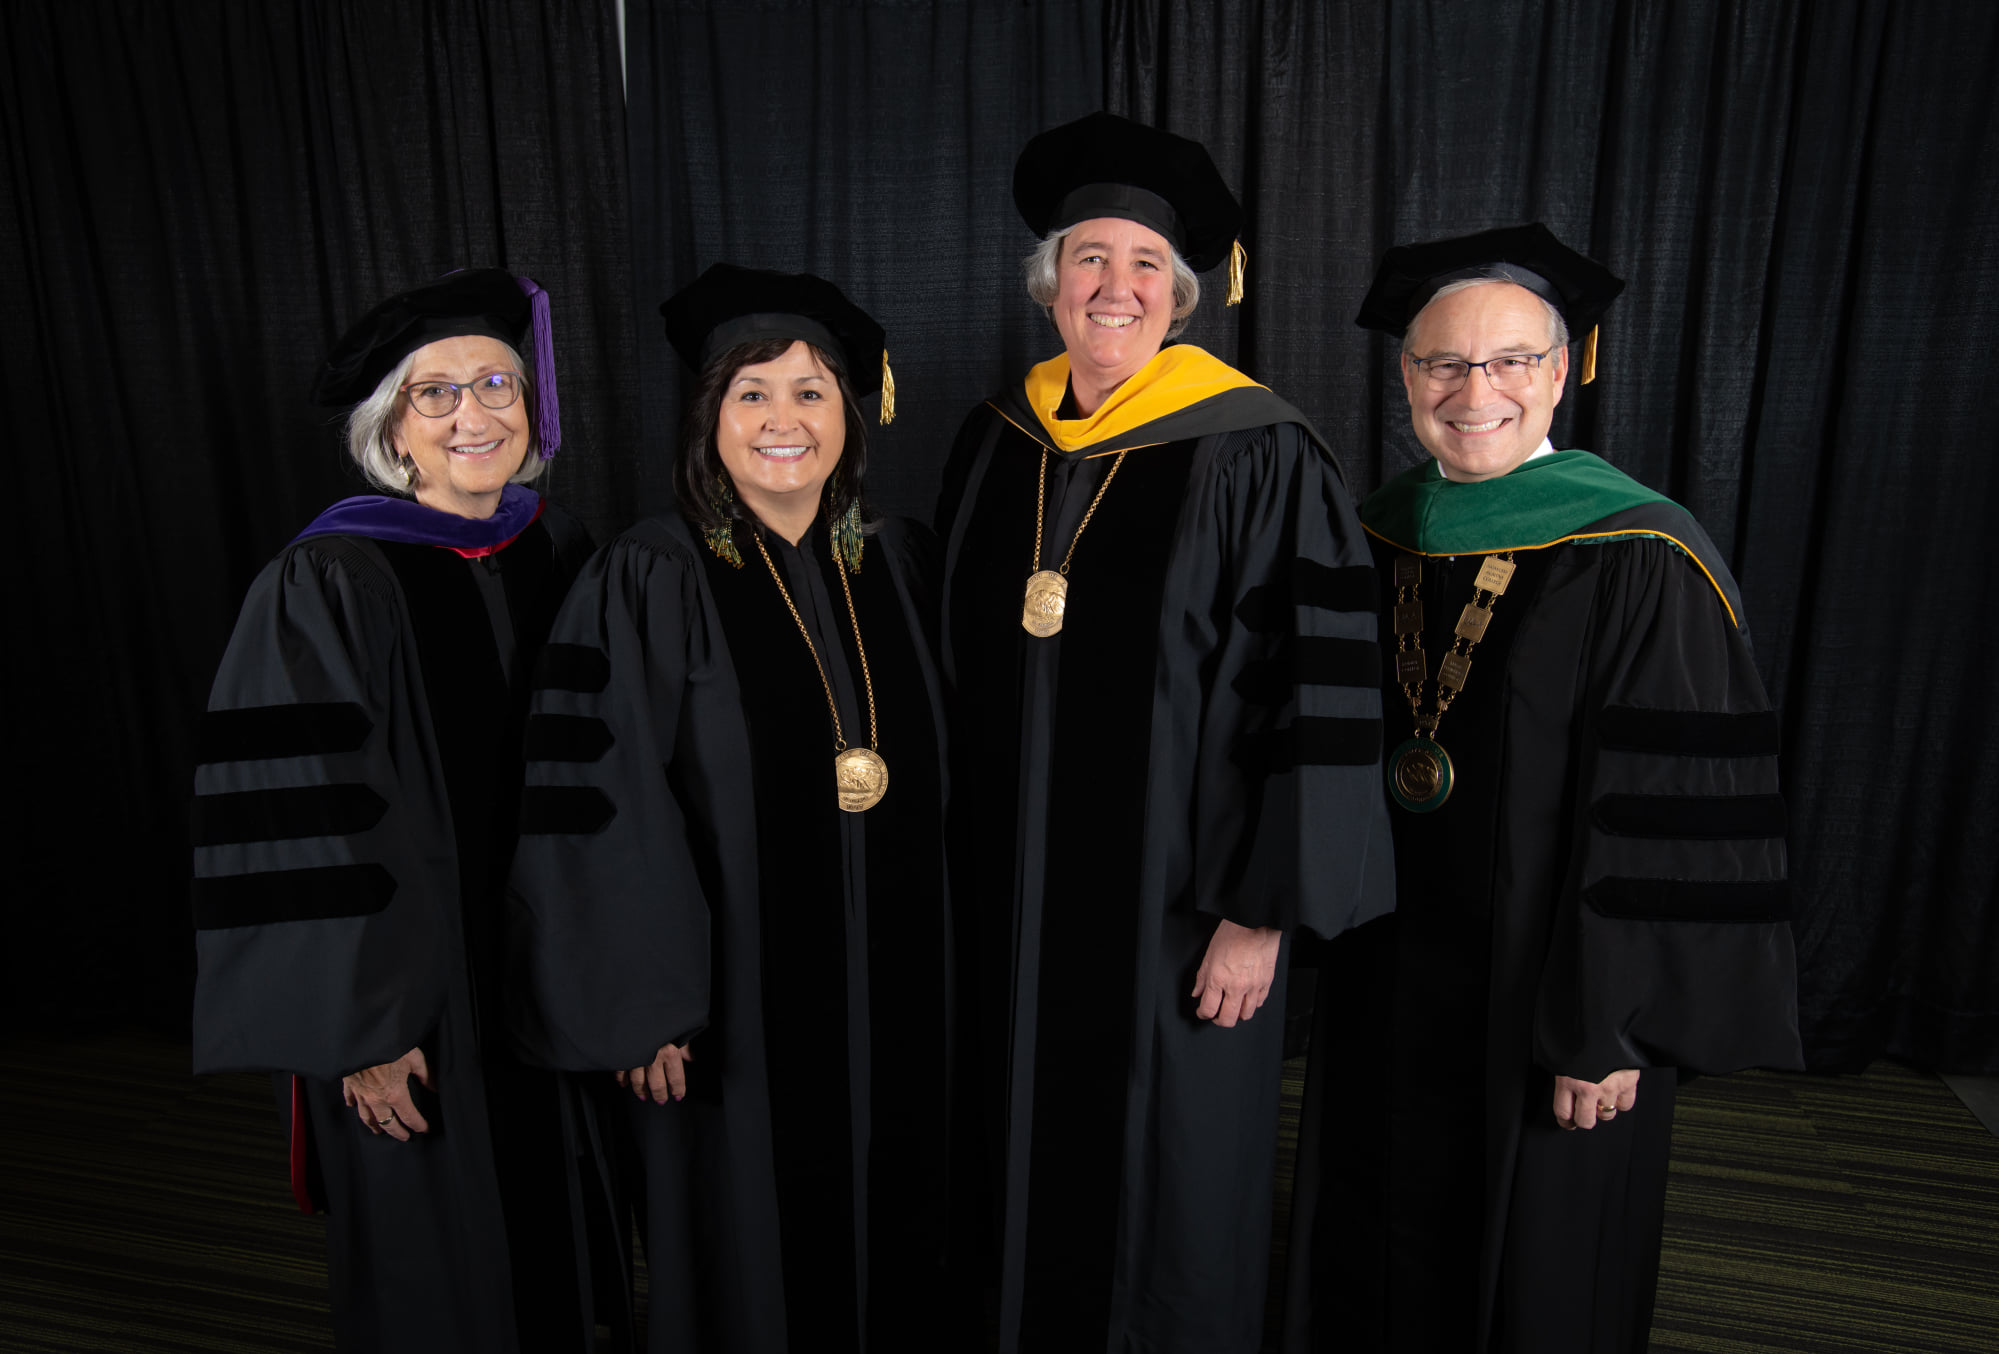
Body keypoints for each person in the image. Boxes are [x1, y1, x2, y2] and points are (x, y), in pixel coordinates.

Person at [1283, 224, 1804, 1353]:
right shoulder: (1374, 534)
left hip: (1554, 998)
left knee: (1539, 1268)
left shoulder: (1643, 554)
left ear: (1563, 371)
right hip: (1389, 974)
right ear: (1408, 376)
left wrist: (1608, 1026)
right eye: (1445, 365)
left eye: (1512, 360)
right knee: (1376, 1238)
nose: (1478, 392)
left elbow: (1669, 820)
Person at [935, 112, 1394, 1353]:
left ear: (1182, 297)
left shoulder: (1261, 451)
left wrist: (1263, 913)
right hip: (1006, 911)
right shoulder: (993, 441)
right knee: (1006, 1141)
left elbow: (1322, 692)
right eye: (1089, 257)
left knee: (1166, 1172)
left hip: (1181, 912)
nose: (1115, 286)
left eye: (1145, 264)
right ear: (1050, 286)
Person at [506, 264, 951, 1352]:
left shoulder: (900, 562)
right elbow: (599, 802)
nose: (784, 420)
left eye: (811, 391)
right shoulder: (649, 577)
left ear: (852, 408)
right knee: (745, 1246)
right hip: (728, 1008)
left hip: (902, 993)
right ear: (710, 418)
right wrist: (645, 1002)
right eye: (751, 393)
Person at [189, 269, 620, 1353]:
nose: (473, 414)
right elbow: (303, 826)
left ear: (534, 410)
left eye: (497, 385)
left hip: (545, 971)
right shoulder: (327, 580)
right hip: (412, 994)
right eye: (435, 394)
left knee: (562, 1235)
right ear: (392, 428)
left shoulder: (560, 550)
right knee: (442, 1257)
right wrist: (361, 1033)